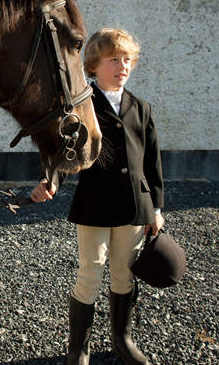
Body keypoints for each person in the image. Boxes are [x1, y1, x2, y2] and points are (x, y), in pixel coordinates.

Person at [31, 27, 164, 365]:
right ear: (92, 66)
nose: (122, 66)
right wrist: (51, 183)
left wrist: (157, 209)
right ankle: (79, 349)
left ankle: (122, 339)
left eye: (127, 60)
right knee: (90, 273)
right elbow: (67, 153)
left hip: (135, 207)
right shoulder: (82, 107)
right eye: (113, 60)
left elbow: (152, 163)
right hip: (94, 206)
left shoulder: (142, 108)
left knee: (125, 274)